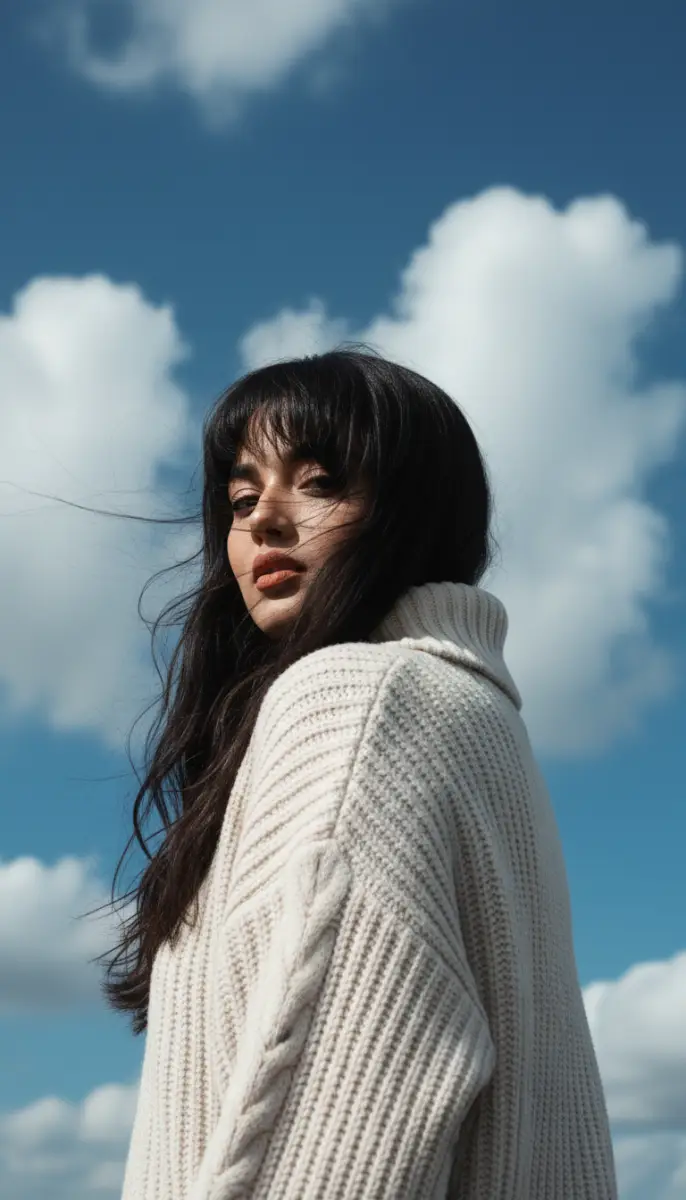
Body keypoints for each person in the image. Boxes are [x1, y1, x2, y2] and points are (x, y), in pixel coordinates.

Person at [110, 349, 618, 1198]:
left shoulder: (359, 700)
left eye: (317, 483)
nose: (266, 520)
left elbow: (330, 1128)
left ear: (410, 511)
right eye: (241, 499)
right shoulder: (475, 719)